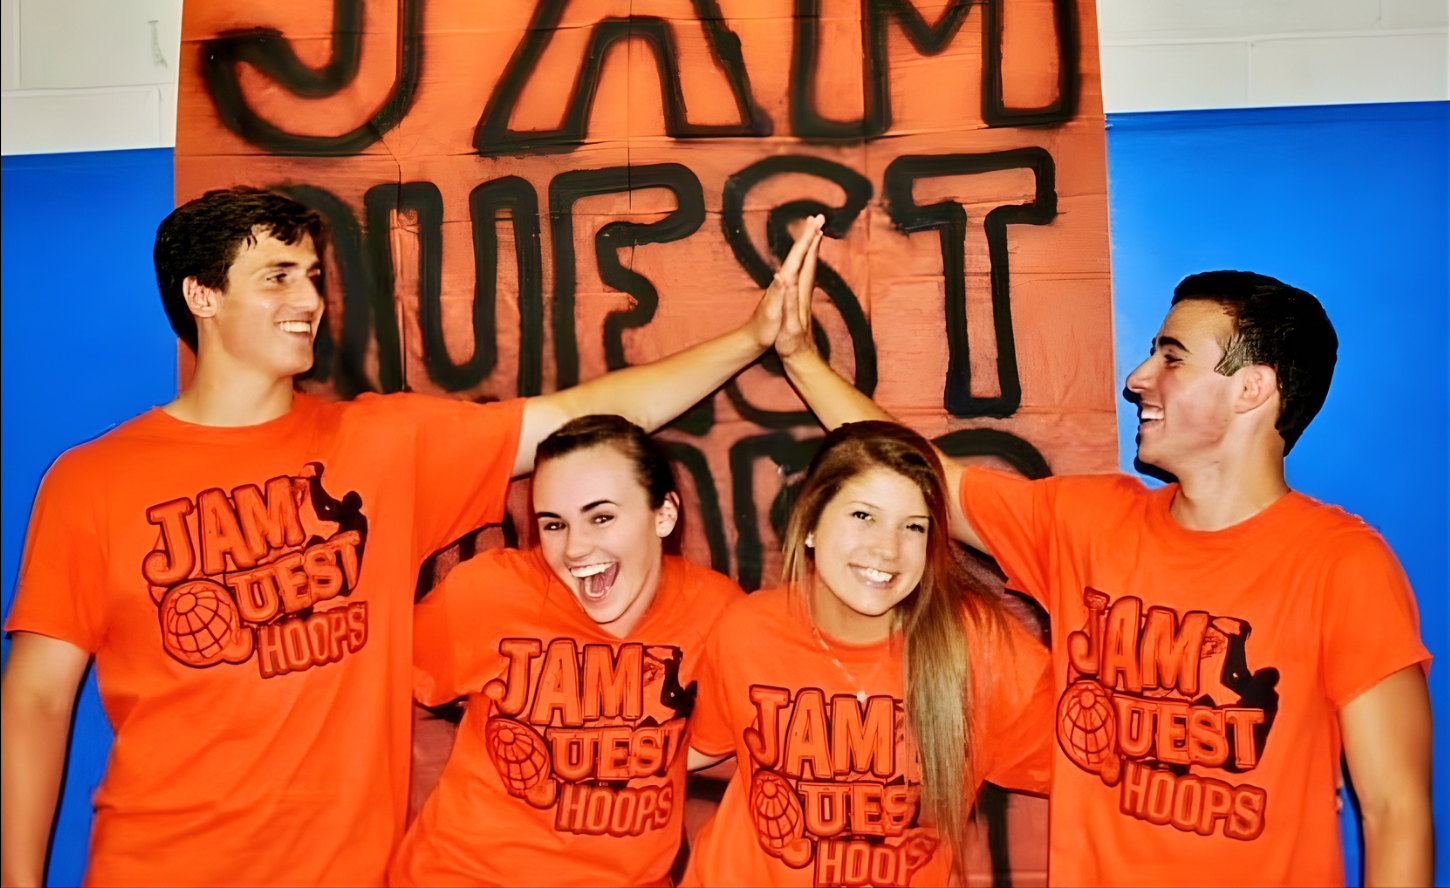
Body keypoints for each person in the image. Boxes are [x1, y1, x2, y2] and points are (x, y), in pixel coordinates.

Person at [0, 187, 823, 887]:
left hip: (350, 871)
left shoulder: (383, 446)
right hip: (159, 863)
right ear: (202, 297)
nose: (310, 299)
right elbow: (36, 699)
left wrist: (751, 339)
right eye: (277, 276)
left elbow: (579, 419)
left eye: (314, 276)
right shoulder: (93, 480)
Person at [775, 239, 1433, 886]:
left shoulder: (1342, 564)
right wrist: (800, 358)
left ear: (1251, 389)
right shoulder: (1088, 523)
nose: (1136, 379)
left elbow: (1395, 812)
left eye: (1170, 358)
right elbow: (920, 471)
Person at [681, 421, 1054, 887]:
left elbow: (1096, 762)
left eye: (913, 526)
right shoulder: (749, 627)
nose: (887, 549)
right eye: (863, 516)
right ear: (812, 523)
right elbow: (697, 745)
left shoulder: (976, 647)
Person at [389, 415, 742, 886]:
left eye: (602, 517)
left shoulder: (716, 613)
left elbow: (709, 740)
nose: (575, 548)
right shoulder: (490, 592)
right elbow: (377, 673)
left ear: (664, 515)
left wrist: (615, 757)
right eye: (554, 524)